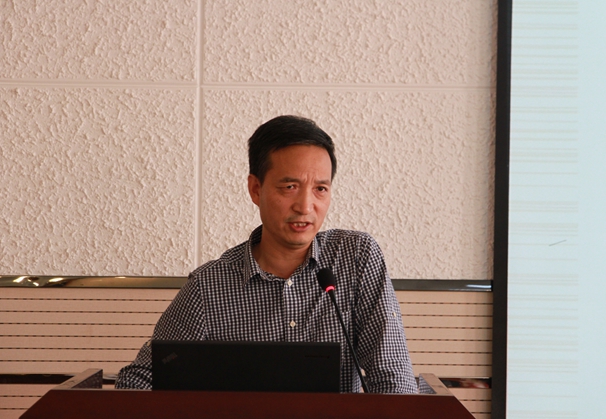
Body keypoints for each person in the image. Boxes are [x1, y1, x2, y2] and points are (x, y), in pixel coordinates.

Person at [115, 115, 417, 393]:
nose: (305, 206)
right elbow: (138, 382)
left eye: (320, 189)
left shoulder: (355, 257)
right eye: (290, 186)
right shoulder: (209, 287)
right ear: (256, 189)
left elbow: (392, 379)